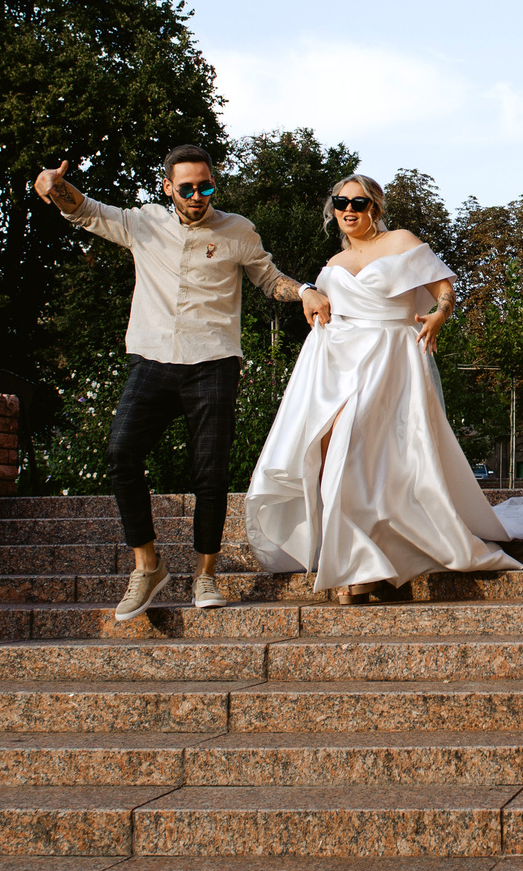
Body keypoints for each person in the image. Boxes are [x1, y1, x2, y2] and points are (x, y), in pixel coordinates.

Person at [34, 147, 328, 619]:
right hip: (152, 359)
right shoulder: (143, 223)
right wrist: (55, 185)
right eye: (187, 187)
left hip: (213, 363)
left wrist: (306, 291)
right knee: (120, 451)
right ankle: (147, 565)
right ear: (168, 188)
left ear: (214, 184)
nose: (197, 195)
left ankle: (205, 574)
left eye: (205, 185)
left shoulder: (237, 230)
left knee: (209, 472)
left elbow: (269, 278)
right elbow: (83, 209)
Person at [246, 174, 522, 601]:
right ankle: (358, 559)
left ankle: (365, 562)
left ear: (374, 206)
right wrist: (309, 298)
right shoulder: (333, 266)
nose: (349, 210)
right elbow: (323, 306)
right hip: (339, 359)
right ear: (333, 209)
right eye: (340, 203)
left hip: (391, 357)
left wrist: (438, 316)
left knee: (357, 445)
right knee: (330, 445)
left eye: (358, 202)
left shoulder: (400, 241)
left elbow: (444, 289)